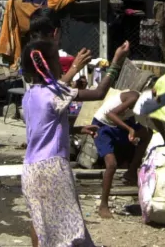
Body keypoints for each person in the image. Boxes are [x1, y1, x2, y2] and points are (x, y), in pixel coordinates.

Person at [21, 38, 130, 247]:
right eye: (56, 60)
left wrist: (77, 129)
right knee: (70, 233)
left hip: (30, 170)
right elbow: (99, 93)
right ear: (49, 65)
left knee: (40, 223)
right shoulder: (55, 93)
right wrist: (117, 61)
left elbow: (44, 128)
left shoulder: (28, 96)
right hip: (53, 168)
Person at [92, 87, 152, 219]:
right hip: (102, 125)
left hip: (119, 124)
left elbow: (156, 118)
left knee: (147, 133)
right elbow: (111, 114)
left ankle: (131, 171)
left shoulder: (148, 103)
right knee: (111, 164)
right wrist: (130, 129)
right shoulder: (134, 97)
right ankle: (103, 205)